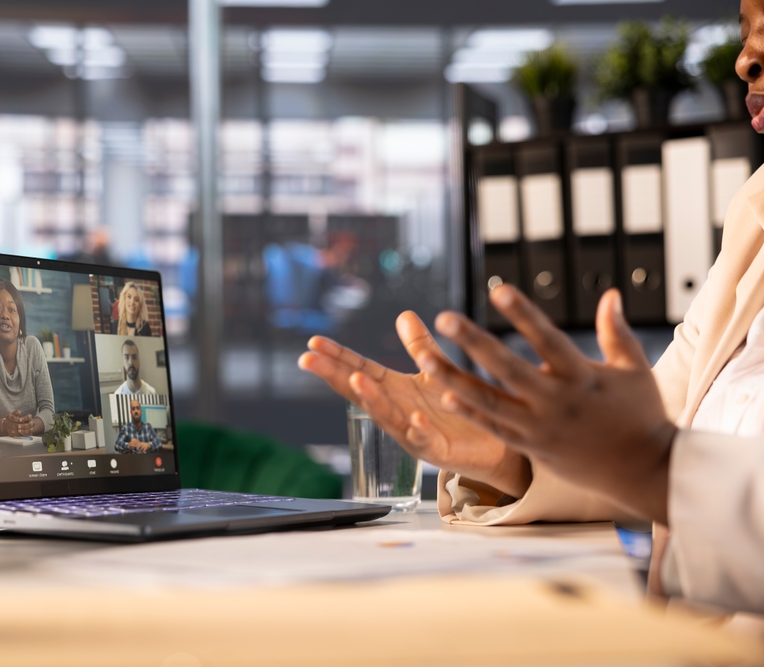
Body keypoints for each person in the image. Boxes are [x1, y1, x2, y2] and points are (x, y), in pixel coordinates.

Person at [300, 0, 764, 614]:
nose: (744, 59)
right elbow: (646, 442)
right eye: (744, 31)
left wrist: (652, 461)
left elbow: (658, 460)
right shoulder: (753, 218)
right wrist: (507, 452)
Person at [0, 279, 54, 437]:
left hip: (31, 445)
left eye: (12, 309)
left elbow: (48, 411)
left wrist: (28, 427)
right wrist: (4, 426)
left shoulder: (32, 346)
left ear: (20, 319)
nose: (5, 315)